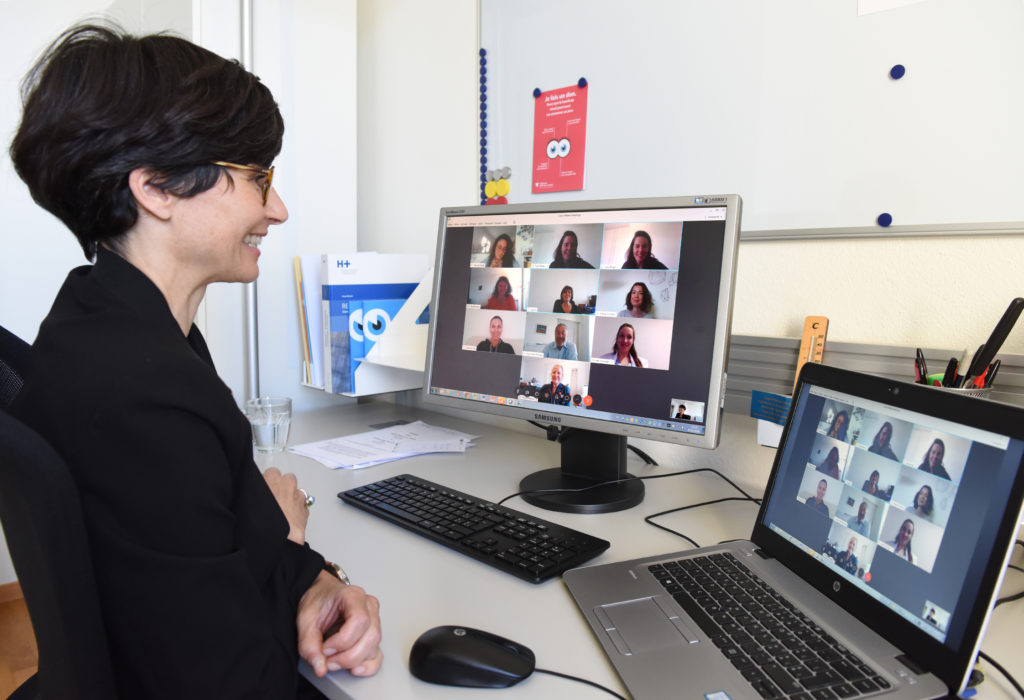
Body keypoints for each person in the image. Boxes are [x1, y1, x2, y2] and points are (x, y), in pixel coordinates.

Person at [7, 23, 382, 698]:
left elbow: (206, 544)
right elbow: (231, 682)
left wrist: (318, 582)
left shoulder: (114, 317)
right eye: (257, 178)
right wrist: (288, 538)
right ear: (157, 189)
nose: (278, 208)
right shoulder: (138, 394)